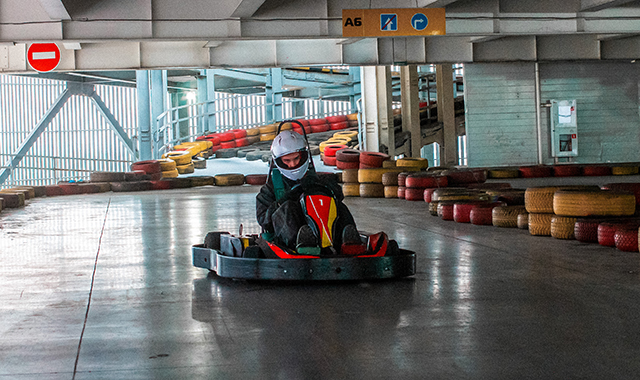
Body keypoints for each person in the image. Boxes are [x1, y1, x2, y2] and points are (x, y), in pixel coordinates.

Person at [256, 129, 362, 254]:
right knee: (288, 208)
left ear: (304, 156)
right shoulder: (270, 188)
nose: (292, 164)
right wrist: (284, 201)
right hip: (287, 241)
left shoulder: (316, 179)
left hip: (321, 228)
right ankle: (304, 243)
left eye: (296, 158)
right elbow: (263, 220)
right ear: (278, 161)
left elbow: (337, 196)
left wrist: (329, 190)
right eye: (287, 161)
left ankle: (347, 241)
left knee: (338, 205)